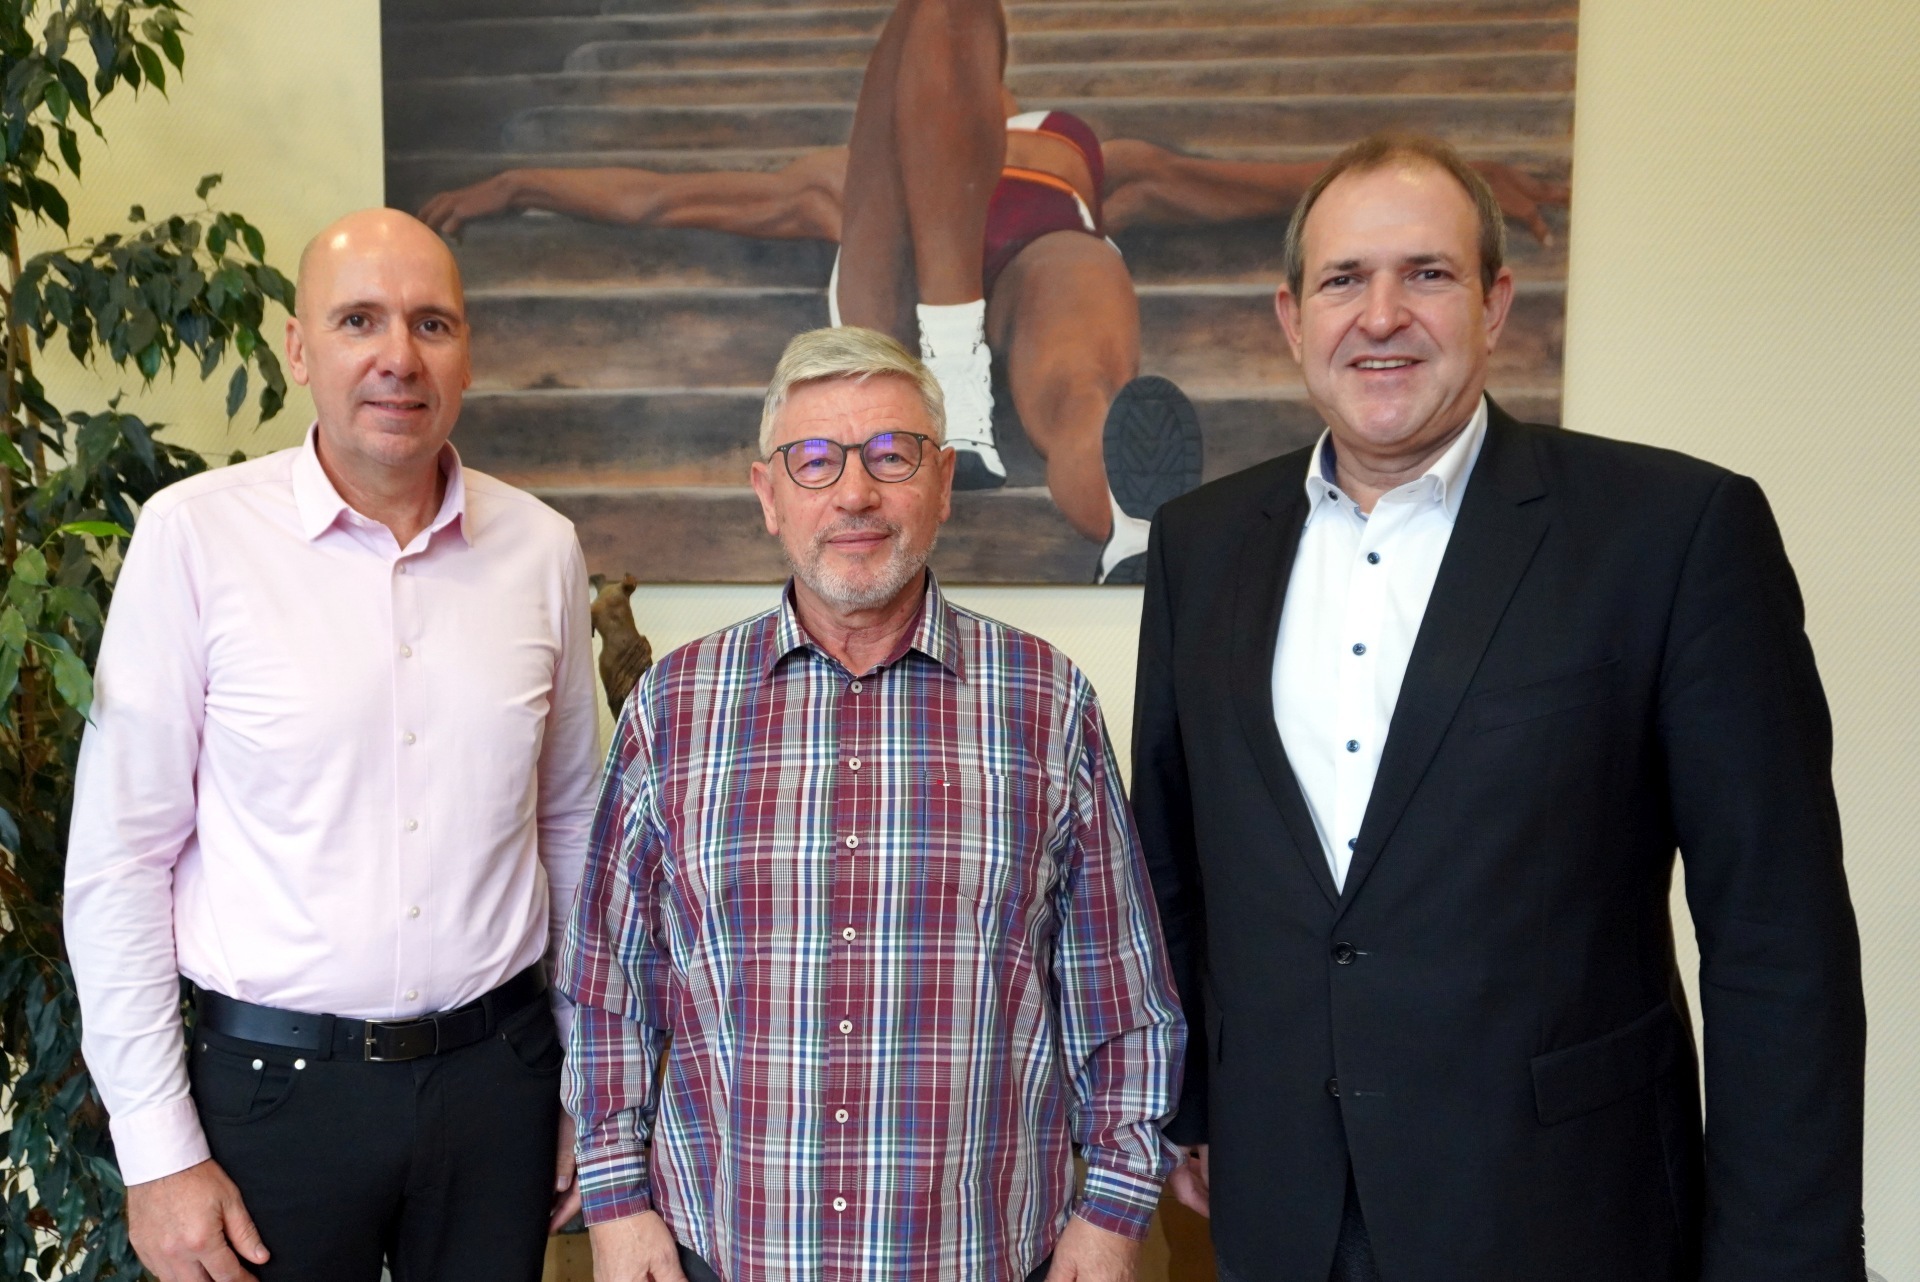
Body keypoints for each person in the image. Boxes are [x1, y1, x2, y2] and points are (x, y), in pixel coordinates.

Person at [1131, 133, 1866, 1281]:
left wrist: (1787, 1256)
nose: (1381, 315)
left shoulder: (1671, 533)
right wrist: (1190, 1104)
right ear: (1290, 318)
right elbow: (1171, 862)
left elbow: (1780, 942)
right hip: (1279, 1208)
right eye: (1343, 279)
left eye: (1426, 274)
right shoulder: (1200, 544)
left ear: (1495, 304)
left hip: (1566, 1212)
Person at [417, 28, 1567, 585]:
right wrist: (519, 184)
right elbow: (666, 197)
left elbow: (1270, 190)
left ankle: (1132, 526)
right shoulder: (853, 167)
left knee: (1084, 387)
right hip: (899, 285)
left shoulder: (1075, 147)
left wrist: (1450, 175)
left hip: (1038, 260)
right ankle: (950, 365)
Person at [559, 326, 1184, 1282]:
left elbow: (1121, 995)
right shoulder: (673, 709)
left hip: (982, 1251)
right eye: (815, 461)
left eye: (892, 455)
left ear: (941, 486)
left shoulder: (1046, 704)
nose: (855, 492)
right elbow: (609, 987)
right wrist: (615, 1203)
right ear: (769, 496)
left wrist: (1112, 1213)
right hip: (724, 1251)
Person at [64, 209, 601, 1282]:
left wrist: (588, 1094)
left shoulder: (542, 548)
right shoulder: (194, 537)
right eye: (360, 320)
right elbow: (120, 859)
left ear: (466, 352)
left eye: (432, 324)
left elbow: (576, 830)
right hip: (271, 1099)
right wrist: (157, 1152)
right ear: (300, 349)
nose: (398, 357)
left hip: (498, 1086)